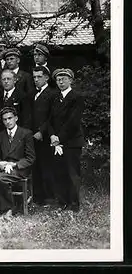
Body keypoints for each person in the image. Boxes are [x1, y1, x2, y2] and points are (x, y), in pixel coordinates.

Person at [0, 106, 35, 218]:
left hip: (19, 167)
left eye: (10, 118)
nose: (8, 122)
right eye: (5, 119)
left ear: (16, 118)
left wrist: (15, 164)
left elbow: (30, 158)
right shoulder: (0, 136)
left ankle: (9, 209)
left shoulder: (26, 133)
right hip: (3, 166)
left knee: (0, 179)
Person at [47, 68, 85, 212]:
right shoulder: (54, 98)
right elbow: (49, 120)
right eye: (58, 79)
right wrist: (52, 135)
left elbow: (73, 122)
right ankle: (62, 202)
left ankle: (74, 204)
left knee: (72, 173)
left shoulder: (77, 97)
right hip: (56, 142)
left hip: (71, 142)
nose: (61, 81)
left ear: (70, 80)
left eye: (64, 78)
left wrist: (59, 137)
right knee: (59, 172)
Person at [30, 66, 58, 206]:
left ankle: (50, 198)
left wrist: (42, 131)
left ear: (46, 77)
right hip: (34, 137)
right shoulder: (34, 94)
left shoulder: (52, 94)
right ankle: (38, 197)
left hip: (46, 136)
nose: (36, 80)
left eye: (39, 77)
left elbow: (52, 117)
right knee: (37, 166)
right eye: (34, 77)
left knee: (47, 166)